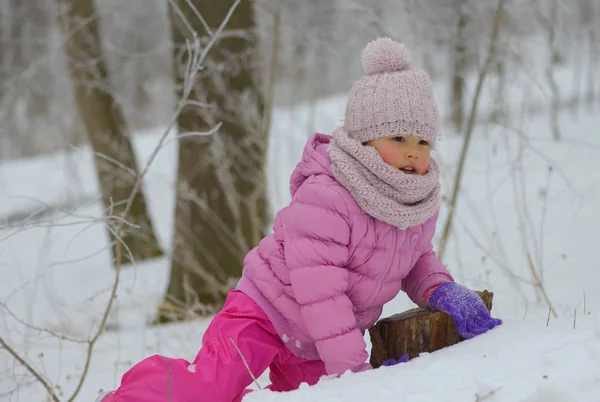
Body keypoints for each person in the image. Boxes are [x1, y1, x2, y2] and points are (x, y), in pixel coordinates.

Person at [97, 37, 502, 402]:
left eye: (423, 141)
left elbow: (414, 259)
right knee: (212, 387)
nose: (413, 152)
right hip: (265, 312)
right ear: (364, 139)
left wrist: (441, 290)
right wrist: (353, 371)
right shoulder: (329, 195)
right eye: (398, 139)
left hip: (318, 342)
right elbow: (319, 290)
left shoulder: (415, 203)